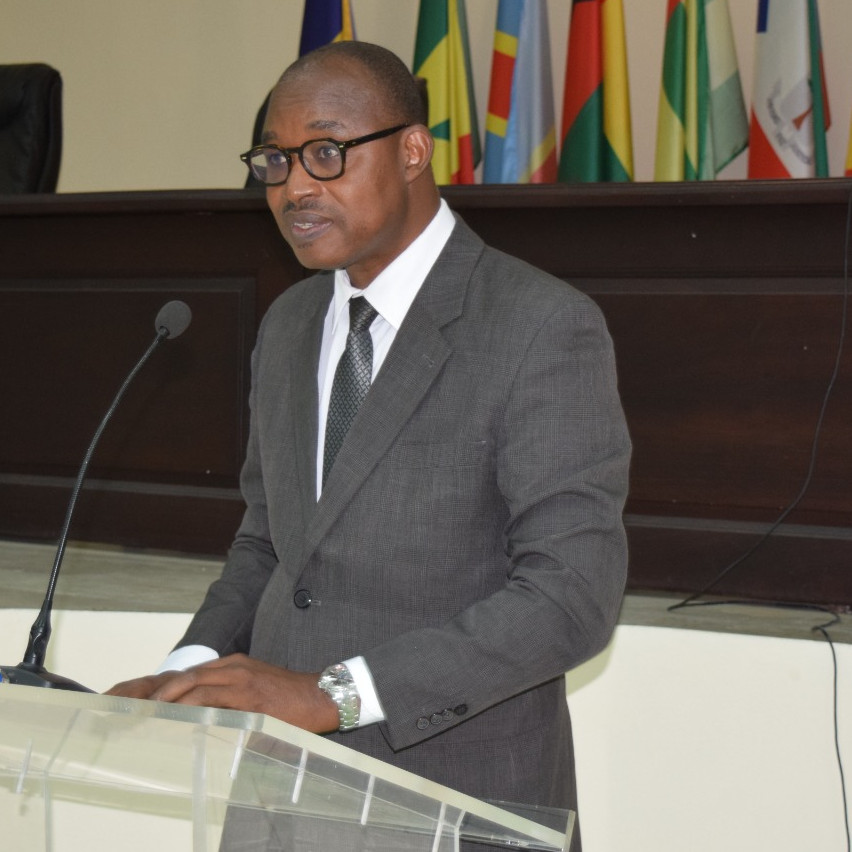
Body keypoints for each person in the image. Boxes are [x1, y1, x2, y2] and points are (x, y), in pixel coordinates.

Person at [108, 40, 630, 851]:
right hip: (280, 796)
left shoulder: (539, 325)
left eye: (326, 152)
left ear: (413, 150)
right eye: (275, 161)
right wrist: (190, 669)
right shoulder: (289, 325)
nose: (295, 188)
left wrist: (334, 695)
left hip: (455, 798)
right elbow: (270, 541)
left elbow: (571, 598)